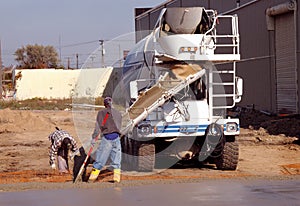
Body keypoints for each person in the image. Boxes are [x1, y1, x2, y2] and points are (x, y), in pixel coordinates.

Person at [88, 96, 122, 183]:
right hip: (117, 137)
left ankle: (92, 179)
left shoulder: (101, 113)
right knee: (116, 161)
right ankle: (116, 179)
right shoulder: (118, 113)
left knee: (100, 160)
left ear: (104, 104)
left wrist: (94, 137)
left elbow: (98, 127)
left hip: (107, 138)